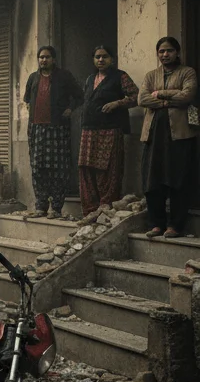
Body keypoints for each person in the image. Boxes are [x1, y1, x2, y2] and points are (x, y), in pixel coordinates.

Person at [139, 37, 197, 238]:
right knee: (152, 180)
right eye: (161, 51)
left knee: (178, 179)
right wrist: (168, 100)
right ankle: (157, 223)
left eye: (169, 51)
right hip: (154, 135)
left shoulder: (187, 72)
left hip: (179, 135)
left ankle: (175, 225)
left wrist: (160, 94)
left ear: (177, 52)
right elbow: (142, 99)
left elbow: (187, 96)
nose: (165, 55)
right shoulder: (150, 75)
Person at [78, 46, 139, 216]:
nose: (100, 60)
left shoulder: (120, 76)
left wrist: (117, 103)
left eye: (105, 56)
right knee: (87, 168)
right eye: (97, 57)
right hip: (89, 130)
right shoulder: (90, 79)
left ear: (112, 59)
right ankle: (90, 210)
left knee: (108, 168)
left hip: (110, 129)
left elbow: (136, 96)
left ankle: (106, 206)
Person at [23, 46, 83, 218]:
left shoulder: (64, 77)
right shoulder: (33, 78)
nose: (44, 60)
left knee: (58, 169)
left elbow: (80, 96)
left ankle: (56, 208)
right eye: (41, 57)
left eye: (47, 57)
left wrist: (70, 109)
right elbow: (27, 99)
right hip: (36, 129)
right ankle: (41, 206)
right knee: (37, 168)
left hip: (57, 128)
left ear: (54, 59)